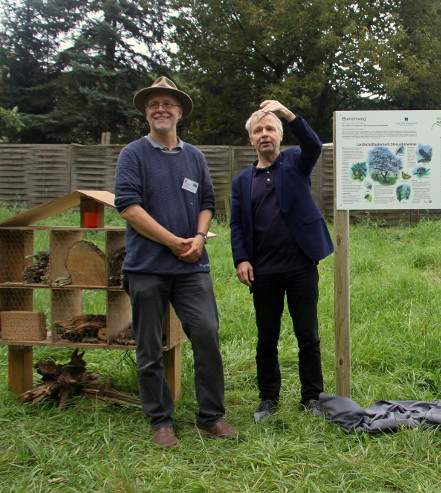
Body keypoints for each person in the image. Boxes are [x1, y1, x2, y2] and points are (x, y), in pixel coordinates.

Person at [115, 76, 237, 448]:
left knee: (207, 336)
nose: (161, 109)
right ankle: (161, 421)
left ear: (179, 111)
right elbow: (128, 206)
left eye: (168, 103)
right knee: (149, 347)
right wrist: (171, 241)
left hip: (191, 267)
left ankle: (210, 417)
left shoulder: (194, 156)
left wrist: (199, 238)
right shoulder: (133, 154)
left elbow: (207, 203)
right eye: (154, 104)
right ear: (146, 113)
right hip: (147, 266)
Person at [230, 100, 333, 423]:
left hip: (301, 266)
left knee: (308, 335)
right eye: (258, 130)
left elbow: (314, 144)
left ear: (279, 135)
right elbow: (236, 224)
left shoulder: (295, 163)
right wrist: (241, 258)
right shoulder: (242, 182)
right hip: (264, 272)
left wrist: (288, 114)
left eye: (270, 128)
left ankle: (312, 397)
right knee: (267, 338)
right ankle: (268, 398)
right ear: (251, 139)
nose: (264, 134)